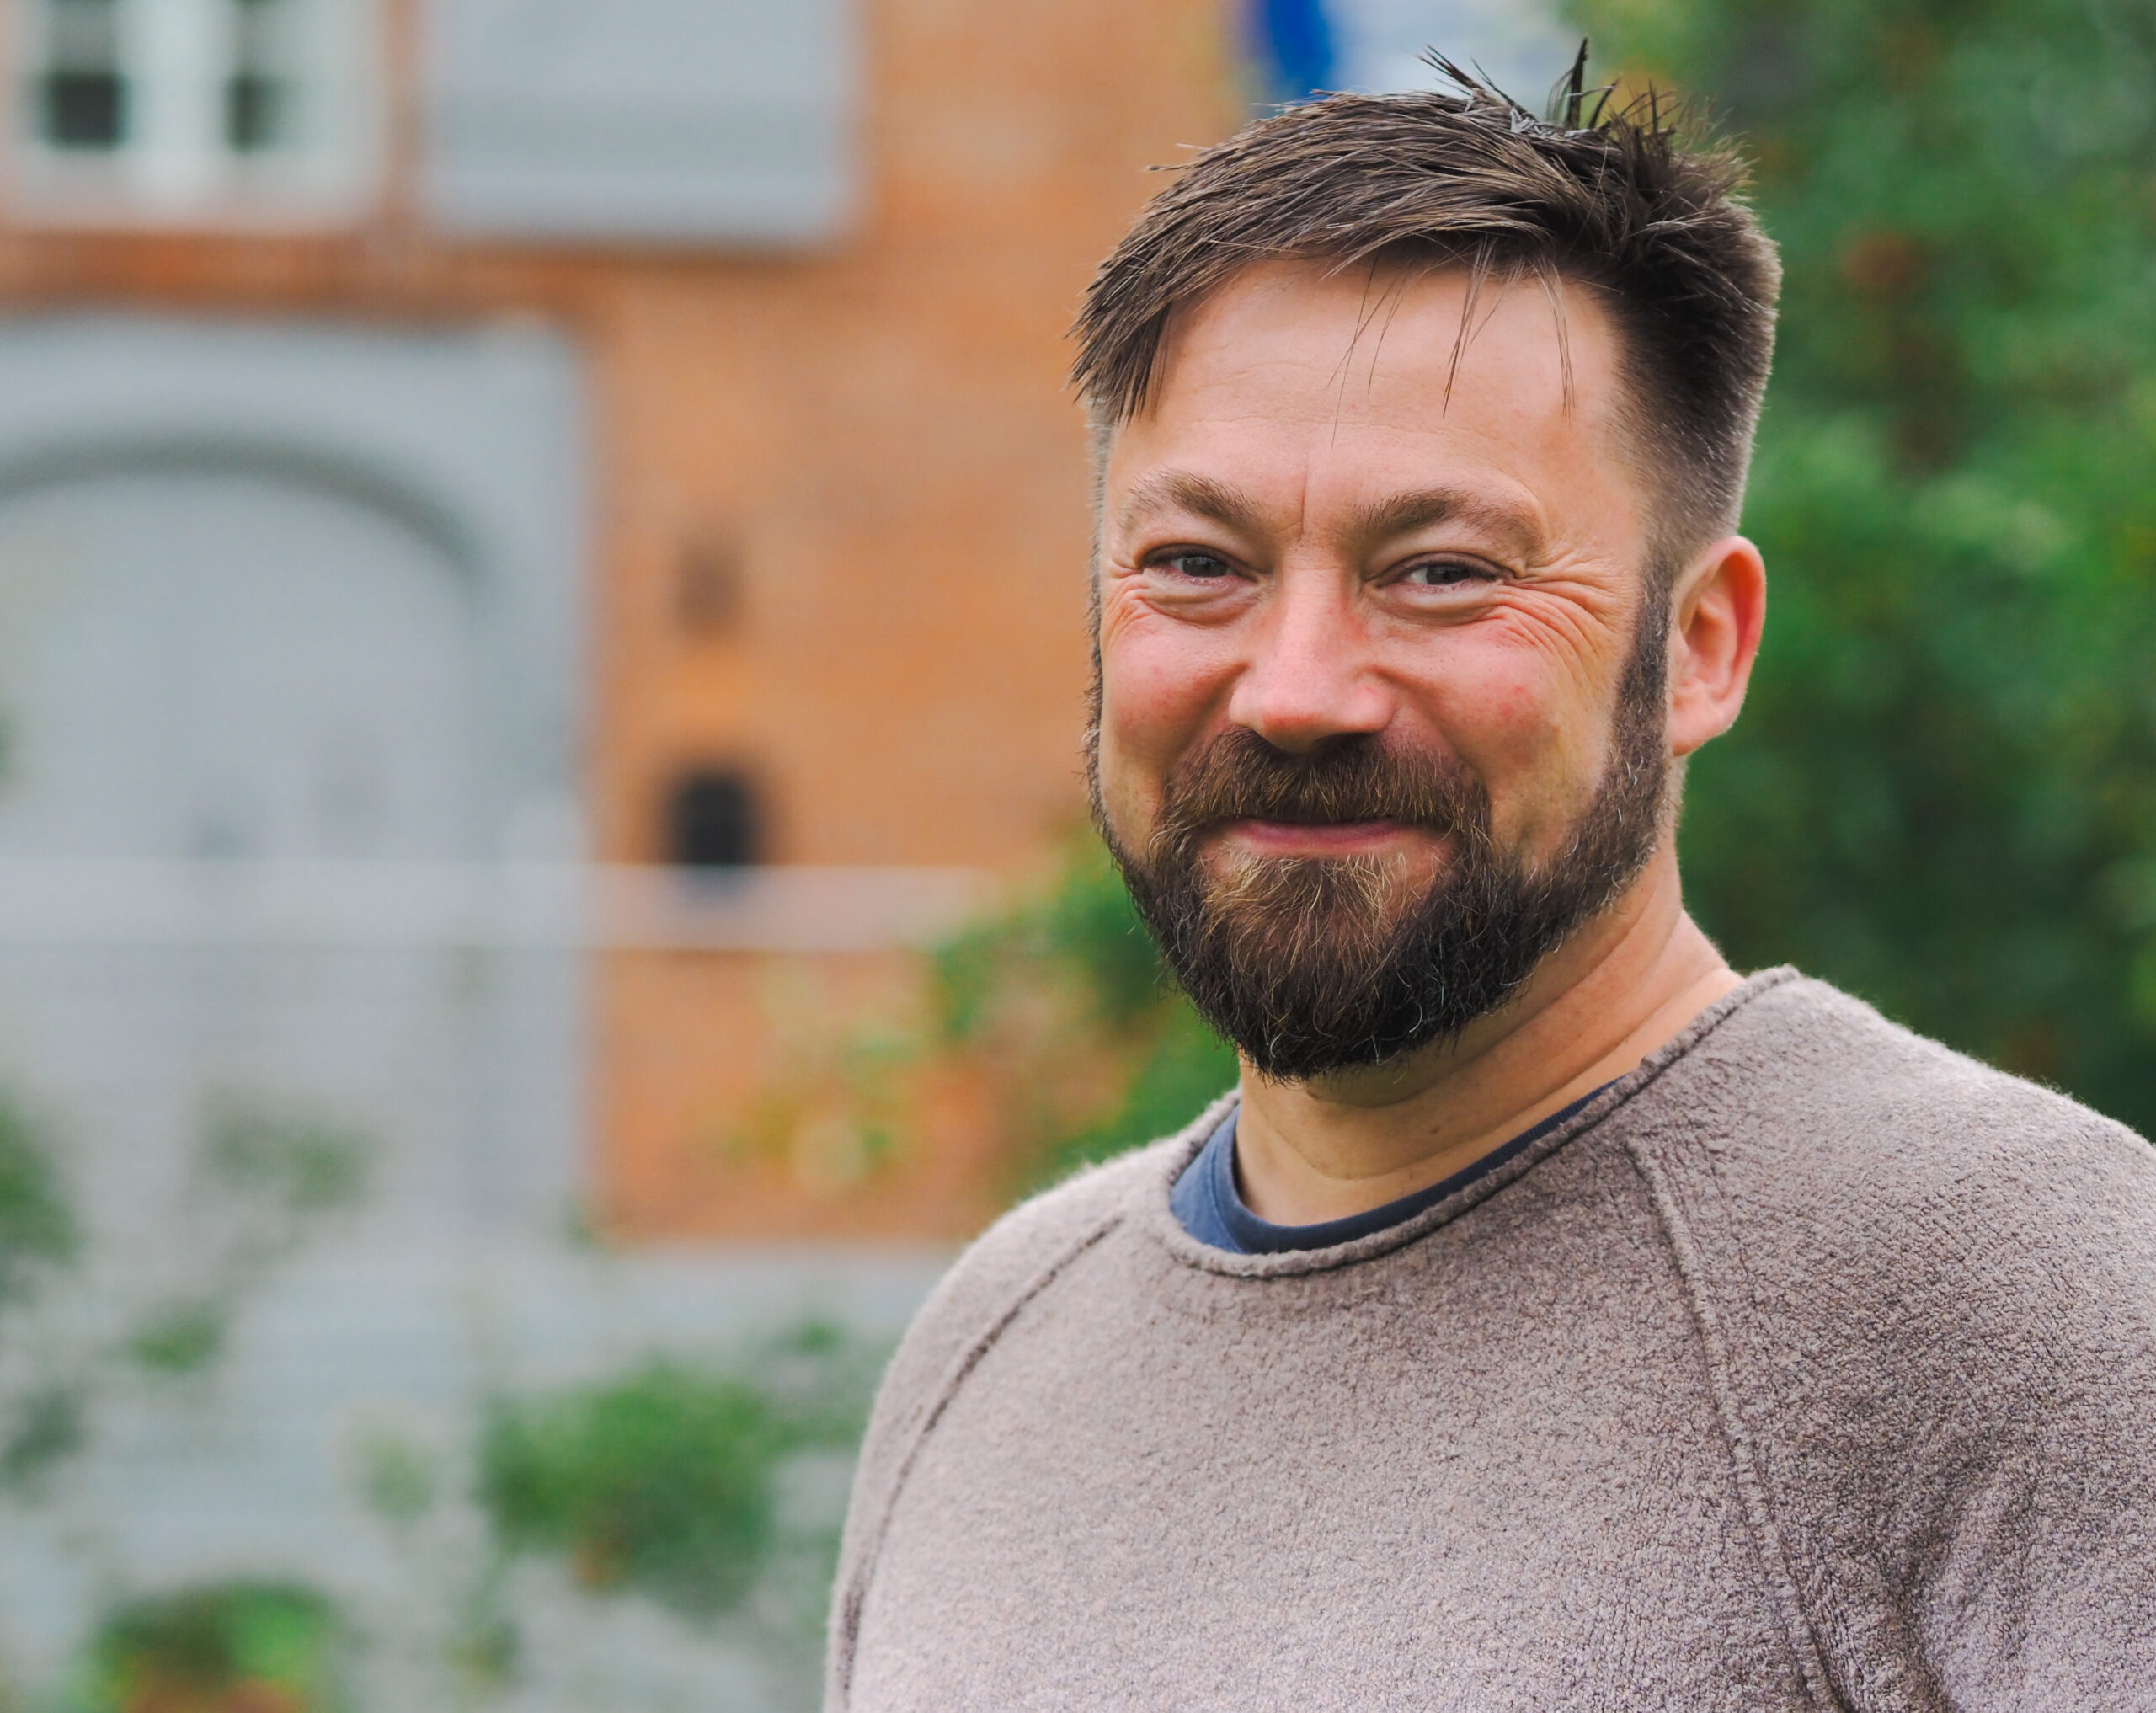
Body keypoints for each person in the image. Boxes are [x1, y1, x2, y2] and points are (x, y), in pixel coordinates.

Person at [826, 65, 2156, 1712]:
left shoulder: (2022, 1303)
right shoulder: (994, 1350)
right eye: (1196, 565)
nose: (1295, 690)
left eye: (1442, 573)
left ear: (1697, 647)